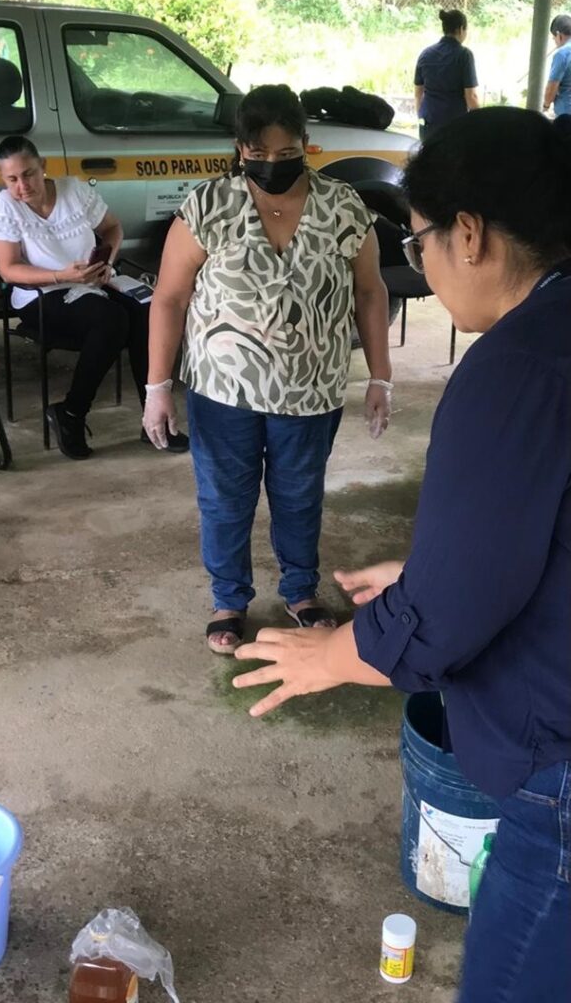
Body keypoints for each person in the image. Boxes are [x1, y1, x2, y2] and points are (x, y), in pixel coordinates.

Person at [233, 106, 571, 1003]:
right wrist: (430, 571)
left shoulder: (517, 368)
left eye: (419, 241)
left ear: (471, 233)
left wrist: (336, 654)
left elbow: (455, 608)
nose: (418, 262)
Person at [143, 85, 391, 654]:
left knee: (300, 496)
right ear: (240, 149)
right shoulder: (208, 207)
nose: (273, 164)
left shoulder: (343, 206)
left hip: (311, 389)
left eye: (286, 154)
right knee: (224, 499)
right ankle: (228, 599)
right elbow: (170, 298)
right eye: (259, 154)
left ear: (307, 144)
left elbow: (370, 292)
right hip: (222, 389)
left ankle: (300, 591)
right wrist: (158, 387)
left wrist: (381, 376)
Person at [0, 135, 189, 460]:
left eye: (29, 174)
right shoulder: (4, 206)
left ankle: (154, 414)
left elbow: (113, 228)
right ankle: (72, 412)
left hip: (91, 281)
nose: (22, 186)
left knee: (146, 311)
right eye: (12, 179)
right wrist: (62, 275)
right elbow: (8, 270)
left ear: (43, 167)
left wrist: (106, 262)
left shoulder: (72, 189)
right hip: (41, 293)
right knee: (111, 320)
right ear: (2, 179)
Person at [414, 9, 479, 139]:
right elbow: (471, 96)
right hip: (454, 124)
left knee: (428, 152)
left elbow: (418, 94)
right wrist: (480, 122)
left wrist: (421, 116)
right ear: (461, 29)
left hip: (428, 123)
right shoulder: (464, 55)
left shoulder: (425, 54)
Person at [544, 14, 571, 116]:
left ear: (559, 35)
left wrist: (546, 106)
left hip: (566, 113)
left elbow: (552, 87)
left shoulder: (562, 54)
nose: (555, 41)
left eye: (554, 37)